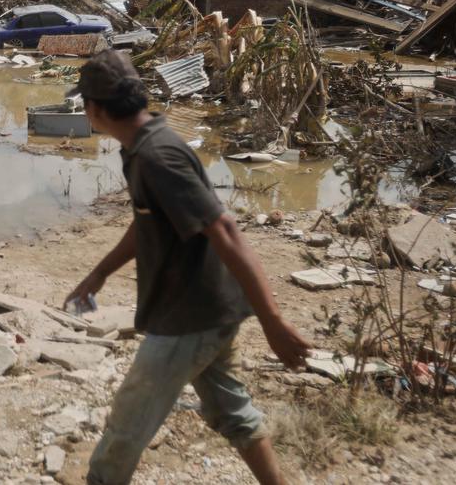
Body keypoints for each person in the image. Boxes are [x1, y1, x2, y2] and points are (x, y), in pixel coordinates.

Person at [65, 51, 311, 485]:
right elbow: (147, 222)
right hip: (210, 310)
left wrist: (273, 321)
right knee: (231, 410)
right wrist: (99, 273)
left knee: (128, 419)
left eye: (84, 103)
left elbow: (226, 229)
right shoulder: (141, 146)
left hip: (187, 318)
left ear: (96, 109)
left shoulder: (158, 157)